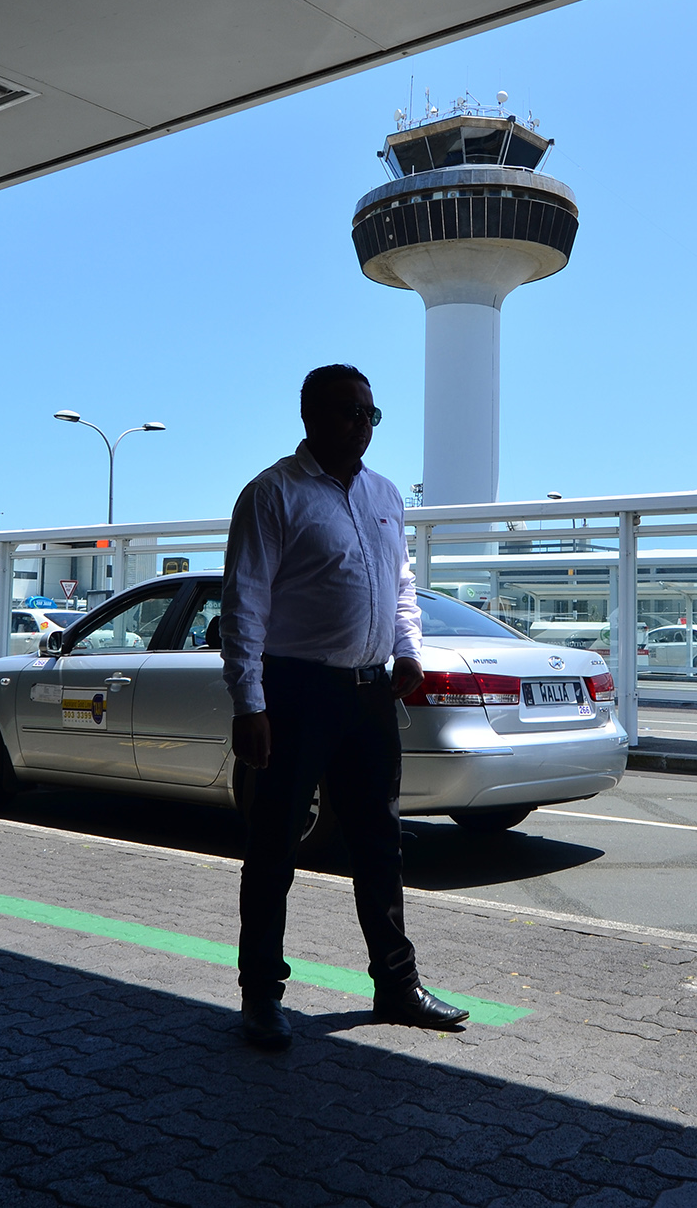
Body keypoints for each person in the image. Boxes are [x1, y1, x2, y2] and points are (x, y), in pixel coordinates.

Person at [222, 363, 470, 1050]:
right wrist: (251, 703)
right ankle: (260, 995)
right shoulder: (272, 494)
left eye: (370, 413)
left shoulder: (387, 495)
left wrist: (408, 648)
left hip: (369, 694)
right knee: (274, 847)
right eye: (347, 411)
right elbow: (244, 605)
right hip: (295, 692)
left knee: (379, 845)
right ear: (309, 416)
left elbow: (402, 587)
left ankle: (396, 985)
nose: (362, 424)